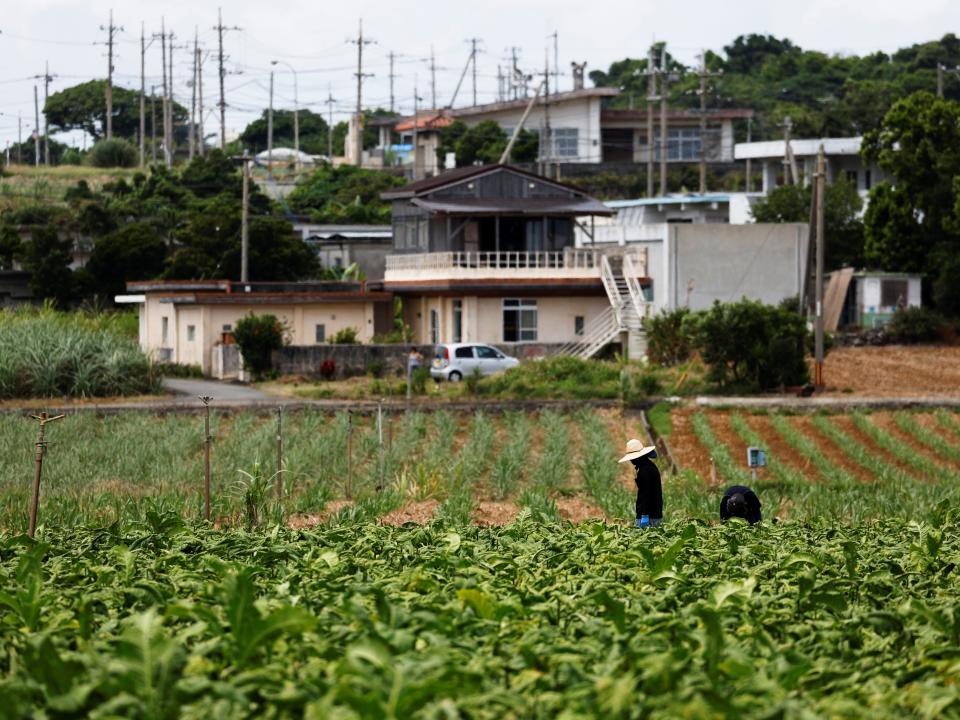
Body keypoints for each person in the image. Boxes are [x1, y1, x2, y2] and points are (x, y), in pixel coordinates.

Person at [618, 439, 662, 528]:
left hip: (649, 516)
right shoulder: (649, 466)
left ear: (637, 457)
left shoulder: (644, 470)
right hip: (655, 512)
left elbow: (646, 493)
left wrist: (644, 515)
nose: (631, 461)